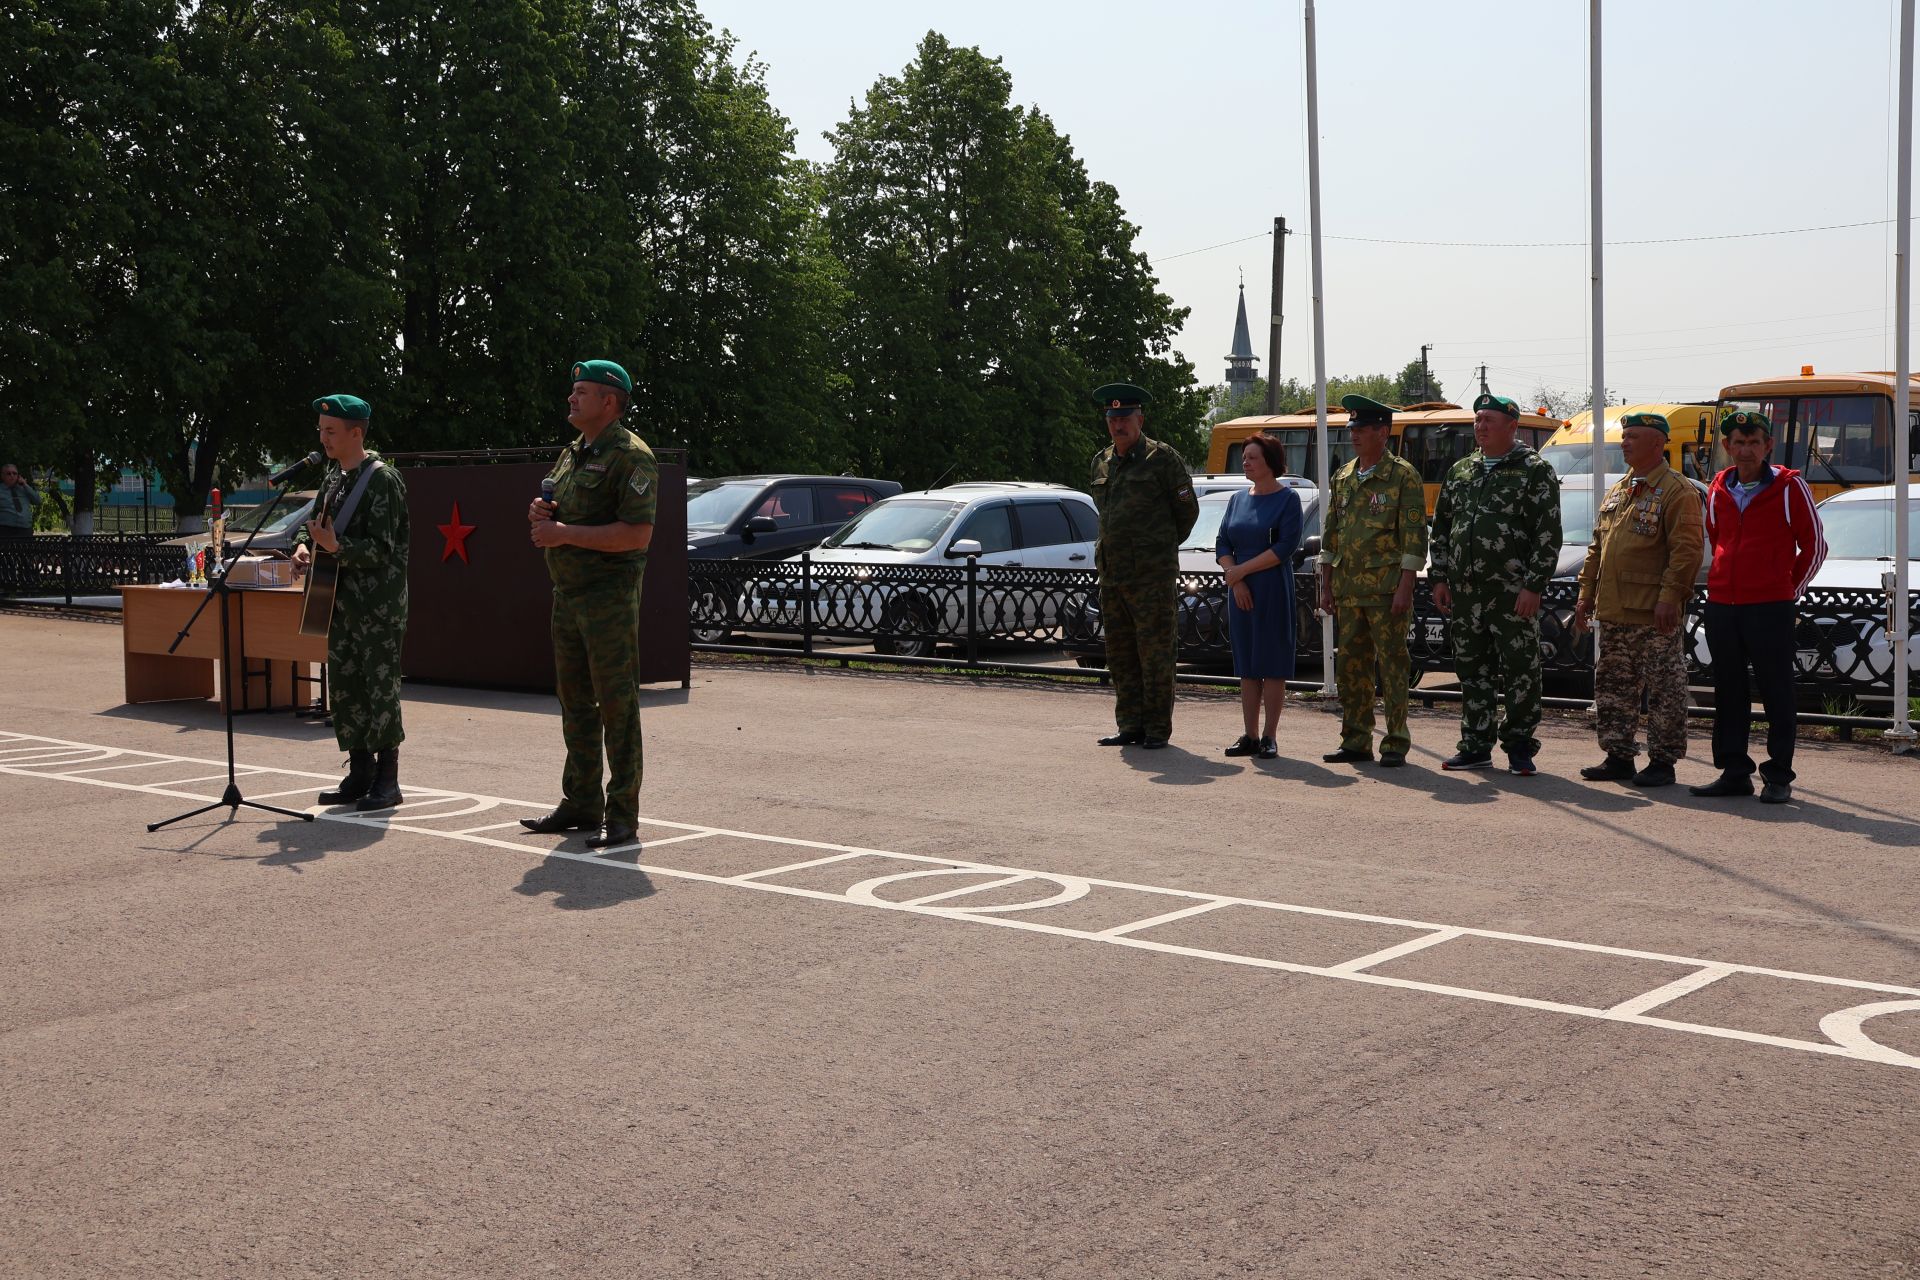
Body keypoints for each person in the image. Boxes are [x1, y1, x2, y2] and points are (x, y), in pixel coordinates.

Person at [522, 360, 658, 848]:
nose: (571, 399)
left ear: (609, 401)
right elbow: (560, 507)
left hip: (608, 599)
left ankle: (622, 814)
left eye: (581, 391)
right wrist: (543, 512)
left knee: (616, 705)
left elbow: (637, 534)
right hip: (568, 595)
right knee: (575, 703)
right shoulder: (573, 453)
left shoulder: (631, 457)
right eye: (572, 390)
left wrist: (562, 533)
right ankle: (581, 801)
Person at [1690, 410, 1827, 805]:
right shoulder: (1718, 487)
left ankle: (1779, 774)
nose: (1745, 449)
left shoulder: (1789, 487)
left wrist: (1788, 590)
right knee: (1728, 690)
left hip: (1770, 606)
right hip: (1723, 605)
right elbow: (1716, 540)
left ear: (1767, 446)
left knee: (1776, 691)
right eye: (1738, 442)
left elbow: (1815, 546)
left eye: (1753, 442)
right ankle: (1735, 772)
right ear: (1726, 446)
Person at [1428, 392, 1561, 775]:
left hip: (1512, 592)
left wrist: (1534, 586)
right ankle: (1475, 744)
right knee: (1473, 671)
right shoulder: (1462, 470)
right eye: (1477, 420)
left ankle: (1520, 745)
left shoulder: (1534, 470)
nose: (1480, 426)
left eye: (1489, 420)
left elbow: (1547, 533)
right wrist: (1439, 576)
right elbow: (1443, 528)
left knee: (1521, 669)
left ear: (1512, 426)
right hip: (1467, 593)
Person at [291, 395, 410, 811]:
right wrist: (306, 547)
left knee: (379, 688)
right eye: (321, 430)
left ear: (355, 433)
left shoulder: (382, 480)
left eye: (331, 431)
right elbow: (319, 527)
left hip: (375, 606)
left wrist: (336, 546)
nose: (323, 438)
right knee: (346, 689)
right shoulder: (333, 477)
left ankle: (388, 780)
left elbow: (384, 547)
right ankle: (359, 772)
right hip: (338, 602)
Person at [1573, 411, 1705, 788]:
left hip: (1653, 613)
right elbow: (1597, 547)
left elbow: (1686, 552)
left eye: (1632, 436)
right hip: (1614, 609)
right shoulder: (1620, 489)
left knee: (1664, 690)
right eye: (1624, 435)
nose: (1624, 442)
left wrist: (1670, 598)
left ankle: (1663, 762)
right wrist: (1585, 595)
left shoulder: (1678, 491)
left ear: (1657, 442)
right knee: (1613, 686)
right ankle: (1618, 757)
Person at [1317, 394, 1428, 767]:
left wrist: (1406, 585)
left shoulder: (1402, 475)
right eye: (1353, 429)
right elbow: (1332, 533)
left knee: (1393, 668)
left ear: (1384, 431)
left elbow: (1414, 536)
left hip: (1386, 590)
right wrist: (1326, 581)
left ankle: (1395, 741)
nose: (1355, 435)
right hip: (1349, 590)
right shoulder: (1344, 476)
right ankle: (1356, 739)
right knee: (1352, 668)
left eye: (1362, 429)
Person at [1089, 382, 1199, 749]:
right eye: (1111, 418)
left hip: (1151, 576)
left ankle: (1155, 729)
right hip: (1112, 575)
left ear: (1140, 418)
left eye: (1124, 418)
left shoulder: (1162, 459)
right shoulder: (1102, 461)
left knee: (1155, 655)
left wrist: (1158, 549)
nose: (1117, 425)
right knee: (1120, 654)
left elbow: (1187, 511)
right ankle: (1129, 725)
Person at [1215, 434, 1304, 757]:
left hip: (1271, 587)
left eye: (1252, 457)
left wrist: (1243, 571)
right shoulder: (1238, 499)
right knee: (1248, 665)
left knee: (1273, 663)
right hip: (1241, 591)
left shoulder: (1287, 499)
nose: (1246, 463)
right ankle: (1249, 735)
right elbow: (1223, 542)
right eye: (1244, 458)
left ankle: (1269, 736)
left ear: (1270, 462)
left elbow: (1284, 548)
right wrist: (1235, 579)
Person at [0, 463, 38, 538]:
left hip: (25, 529)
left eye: (14, 473)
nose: (12, 476)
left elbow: (37, 501)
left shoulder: (24, 489)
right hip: (5, 530)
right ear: (2, 476)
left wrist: (25, 485)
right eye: (8, 473)